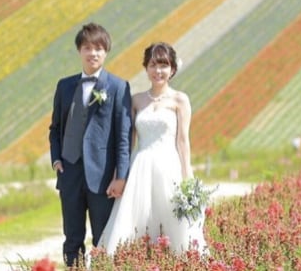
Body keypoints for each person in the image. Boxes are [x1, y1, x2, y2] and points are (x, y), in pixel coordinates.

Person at [99, 42, 207, 255]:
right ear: (146, 68)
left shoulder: (180, 100)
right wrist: (119, 175)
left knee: (176, 227)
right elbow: (127, 142)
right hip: (141, 166)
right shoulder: (136, 100)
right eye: (153, 65)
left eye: (164, 65)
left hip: (169, 166)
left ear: (173, 69)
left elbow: (183, 141)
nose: (158, 71)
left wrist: (188, 178)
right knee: (133, 224)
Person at [49, 23, 133, 268]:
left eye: (98, 48)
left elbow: (123, 138)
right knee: (72, 239)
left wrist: (121, 176)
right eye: (87, 48)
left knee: (103, 241)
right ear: (79, 51)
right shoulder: (64, 86)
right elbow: (55, 129)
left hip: (104, 178)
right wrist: (56, 160)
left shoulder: (118, 87)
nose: (92, 53)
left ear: (106, 52)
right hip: (70, 175)